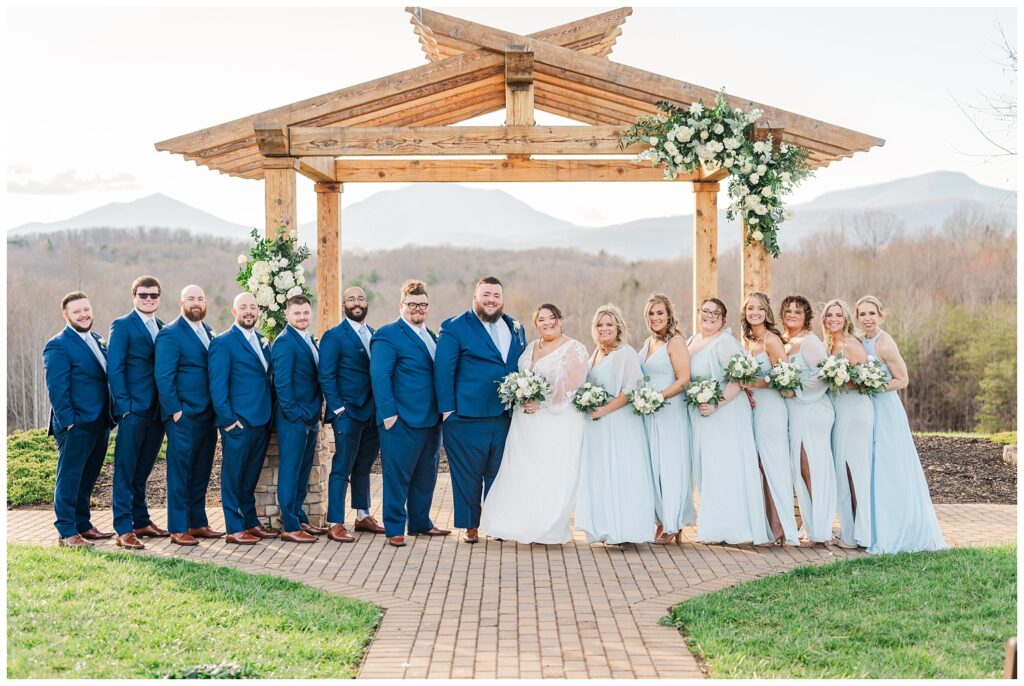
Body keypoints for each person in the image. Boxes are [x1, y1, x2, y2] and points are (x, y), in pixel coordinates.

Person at [479, 304, 588, 544]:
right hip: (525, 422)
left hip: (557, 420)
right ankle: (513, 523)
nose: (547, 323)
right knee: (522, 470)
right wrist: (520, 394)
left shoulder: (574, 347)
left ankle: (547, 527)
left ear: (561, 320)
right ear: (535, 323)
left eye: (552, 318)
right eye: (541, 319)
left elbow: (573, 382)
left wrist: (542, 401)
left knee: (551, 471)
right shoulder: (530, 347)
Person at [435, 276, 527, 544]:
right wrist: (447, 410)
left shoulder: (515, 326)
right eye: (486, 294)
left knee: (500, 472)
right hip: (466, 416)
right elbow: (443, 370)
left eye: (496, 295)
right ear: (475, 296)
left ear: (502, 299)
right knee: (468, 474)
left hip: (505, 414)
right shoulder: (454, 327)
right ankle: (470, 525)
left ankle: (497, 523)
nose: (491, 300)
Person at [856, 295, 946, 554]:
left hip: (886, 411)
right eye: (862, 314)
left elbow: (902, 380)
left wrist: (874, 385)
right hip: (866, 411)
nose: (867, 318)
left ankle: (897, 530)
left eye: (872, 313)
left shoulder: (885, 343)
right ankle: (871, 528)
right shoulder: (861, 342)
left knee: (890, 468)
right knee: (871, 469)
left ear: (881, 315)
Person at [371, 279, 450, 547]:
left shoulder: (432, 336)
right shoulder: (387, 334)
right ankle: (394, 528)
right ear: (401, 305)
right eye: (412, 304)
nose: (418, 309)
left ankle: (420, 522)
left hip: (431, 419)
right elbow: (380, 376)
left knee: (426, 476)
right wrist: (389, 415)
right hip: (401, 419)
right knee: (397, 476)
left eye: (423, 305)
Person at [686, 298, 772, 546]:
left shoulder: (725, 342)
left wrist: (717, 403)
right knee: (709, 469)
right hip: (703, 415)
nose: (709, 316)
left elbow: (740, 379)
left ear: (723, 319)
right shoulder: (693, 341)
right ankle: (714, 527)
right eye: (705, 311)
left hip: (725, 413)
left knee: (726, 467)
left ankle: (736, 528)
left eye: (716, 313)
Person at [575, 304, 657, 545]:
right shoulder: (595, 354)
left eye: (609, 324)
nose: (604, 329)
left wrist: (604, 409)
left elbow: (631, 389)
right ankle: (604, 527)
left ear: (618, 327)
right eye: (600, 325)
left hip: (620, 422)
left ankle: (625, 530)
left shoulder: (626, 353)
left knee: (622, 472)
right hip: (598, 426)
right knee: (602, 474)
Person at [43, 291, 116, 547]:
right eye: (77, 311)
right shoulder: (58, 345)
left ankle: (83, 524)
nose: (84, 314)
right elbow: (57, 388)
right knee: (70, 478)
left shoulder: (96, 339)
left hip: (100, 422)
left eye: (86, 309)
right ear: (66, 315)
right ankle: (66, 532)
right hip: (75, 424)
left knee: (88, 477)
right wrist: (70, 422)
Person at [155, 284, 222, 546]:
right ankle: (178, 527)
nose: (196, 302)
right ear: (180, 302)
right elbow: (164, 375)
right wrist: (175, 411)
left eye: (201, 298)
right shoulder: (170, 334)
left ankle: (197, 522)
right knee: (180, 472)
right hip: (184, 415)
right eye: (191, 298)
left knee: (201, 470)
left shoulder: (208, 332)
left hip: (208, 415)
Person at [208, 292, 277, 545]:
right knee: (233, 477)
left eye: (253, 307)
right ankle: (233, 527)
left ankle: (250, 522)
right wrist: (228, 419)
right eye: (243, 307)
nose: (249, 311)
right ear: (234, 311)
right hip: (238, 422)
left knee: (250, 477)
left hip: (261, 421)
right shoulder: (223, 342)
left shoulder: (262, 340)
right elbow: (218, 385)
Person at [318, 286, 385, 542]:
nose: (356, 303)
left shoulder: (375, 334)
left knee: (363, 466)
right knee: (342, 467)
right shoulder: (334, 336)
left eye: (360, 298)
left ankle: (362, 515)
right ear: (344, 305)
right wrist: (338, 408)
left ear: (367, 303)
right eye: (351, 299)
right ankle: (335, 521)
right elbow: (326, 374)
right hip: (347, 412)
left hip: (372, 413)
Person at [106, 276, 167, 550]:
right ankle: (123, 527)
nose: (149, 299)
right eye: (143, 295)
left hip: (157, 412)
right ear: (134, 296)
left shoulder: (163, 327)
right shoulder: (122, 326)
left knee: (143, 469)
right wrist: (125, 407)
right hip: (133, 410)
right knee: (125, 470)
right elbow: (115, 368)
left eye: (153, 295)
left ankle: (141, 520)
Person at [739, 292, 800, 546]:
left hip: (772, 409)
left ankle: (780, 527)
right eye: (750, 308)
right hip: (752, 409)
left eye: (759, 309)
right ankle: (766, 523)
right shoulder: (747, 341)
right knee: (759, 467)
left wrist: (754, 383)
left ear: (767, 312)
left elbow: (787, 381)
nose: (755, 313)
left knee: (772, 465)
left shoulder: (771, 340)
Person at [779, 294, 837, 546]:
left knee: (811, 466)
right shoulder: (785, 341)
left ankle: (820, 530)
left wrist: (797, 389)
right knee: (801, 468)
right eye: (788, 310)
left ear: (806, 317)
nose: (792, 314)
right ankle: (812, 526)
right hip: (796, 411)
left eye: (798, 311)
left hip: (813, 410)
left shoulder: (809, 342)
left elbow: (825, 375)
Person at [638, 293, 695, 545]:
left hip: (669, 410)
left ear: (669, 315)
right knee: (655, 468)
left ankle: (674, 522)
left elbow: (684, 379)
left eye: (660, 313)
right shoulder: (648, 343)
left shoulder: (676, 342)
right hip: (650, 415)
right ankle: (661, 521)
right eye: (651, 313)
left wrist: (659, 397)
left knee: (671, 466)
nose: (655, 317)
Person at [272, 295, 327, 543]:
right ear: (287, 315)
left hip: (310, 417)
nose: (303, 317)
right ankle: (290, 526)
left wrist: (313, 415)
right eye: (297, 313)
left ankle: (298, 516)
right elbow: (282, 385)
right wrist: (296, 415)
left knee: (303, 471)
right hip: (293, 419)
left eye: (306, 312)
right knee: (291, 471)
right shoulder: (284, 343)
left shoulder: (308, 339)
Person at [822, 298, 874, 550]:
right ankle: (848, 530)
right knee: (842, 472)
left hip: (855, 412)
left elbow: (866, 382)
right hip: (839, 412)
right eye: (829, 315)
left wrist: (840, 381)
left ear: (846, 320)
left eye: (838, 315)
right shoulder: (828, 345)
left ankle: (859, 534)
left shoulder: (851, 344)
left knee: (854, 471)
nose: (833, 319)